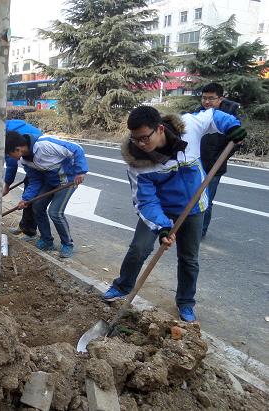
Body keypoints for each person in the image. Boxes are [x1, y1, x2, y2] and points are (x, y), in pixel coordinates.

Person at [103, 106, 246, 322]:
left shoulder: (188, 128)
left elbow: (211, 115)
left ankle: (186, 302)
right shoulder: (137, 163)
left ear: (160, 129)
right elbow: (146, 201)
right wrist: (162, 226)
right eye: (135, 139)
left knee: (189, 258)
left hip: (193, 206)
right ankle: (123, 286)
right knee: (139, 248)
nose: (140, 144)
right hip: (160, 207)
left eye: (144, 138)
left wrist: (232, 126)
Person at [6, 132, 88, 258]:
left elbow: (76, 149)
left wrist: (81, 171)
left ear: (17, 149)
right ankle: (47, 241)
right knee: (37, 206)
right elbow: (35, 180)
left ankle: (67, 244)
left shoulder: (44, 145)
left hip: (67, 181)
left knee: (55, 212)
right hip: (50, 181)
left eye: (10, 154)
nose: (11, 158)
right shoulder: (25, 161)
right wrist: (26, 199)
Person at [196, 83, 240, 237]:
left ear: (220, 99)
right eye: (204, 98)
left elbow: (236, 141)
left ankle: (201, 231)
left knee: (206, 201)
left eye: (211, 98)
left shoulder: (229, 116)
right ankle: (191, 229)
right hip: (197, 164)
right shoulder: (199, 113)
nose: (206, 102)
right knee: (193, 198)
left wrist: (218, 159)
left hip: (215, 165)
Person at [1, 120, 43, 240]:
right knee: (27, 193)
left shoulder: (9, 139)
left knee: (31, 197)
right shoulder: (7, 126)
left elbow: (11, 164)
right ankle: (23, 226)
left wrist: (7, 186)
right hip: (32, 161)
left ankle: (30, 232)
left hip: (39, 161)